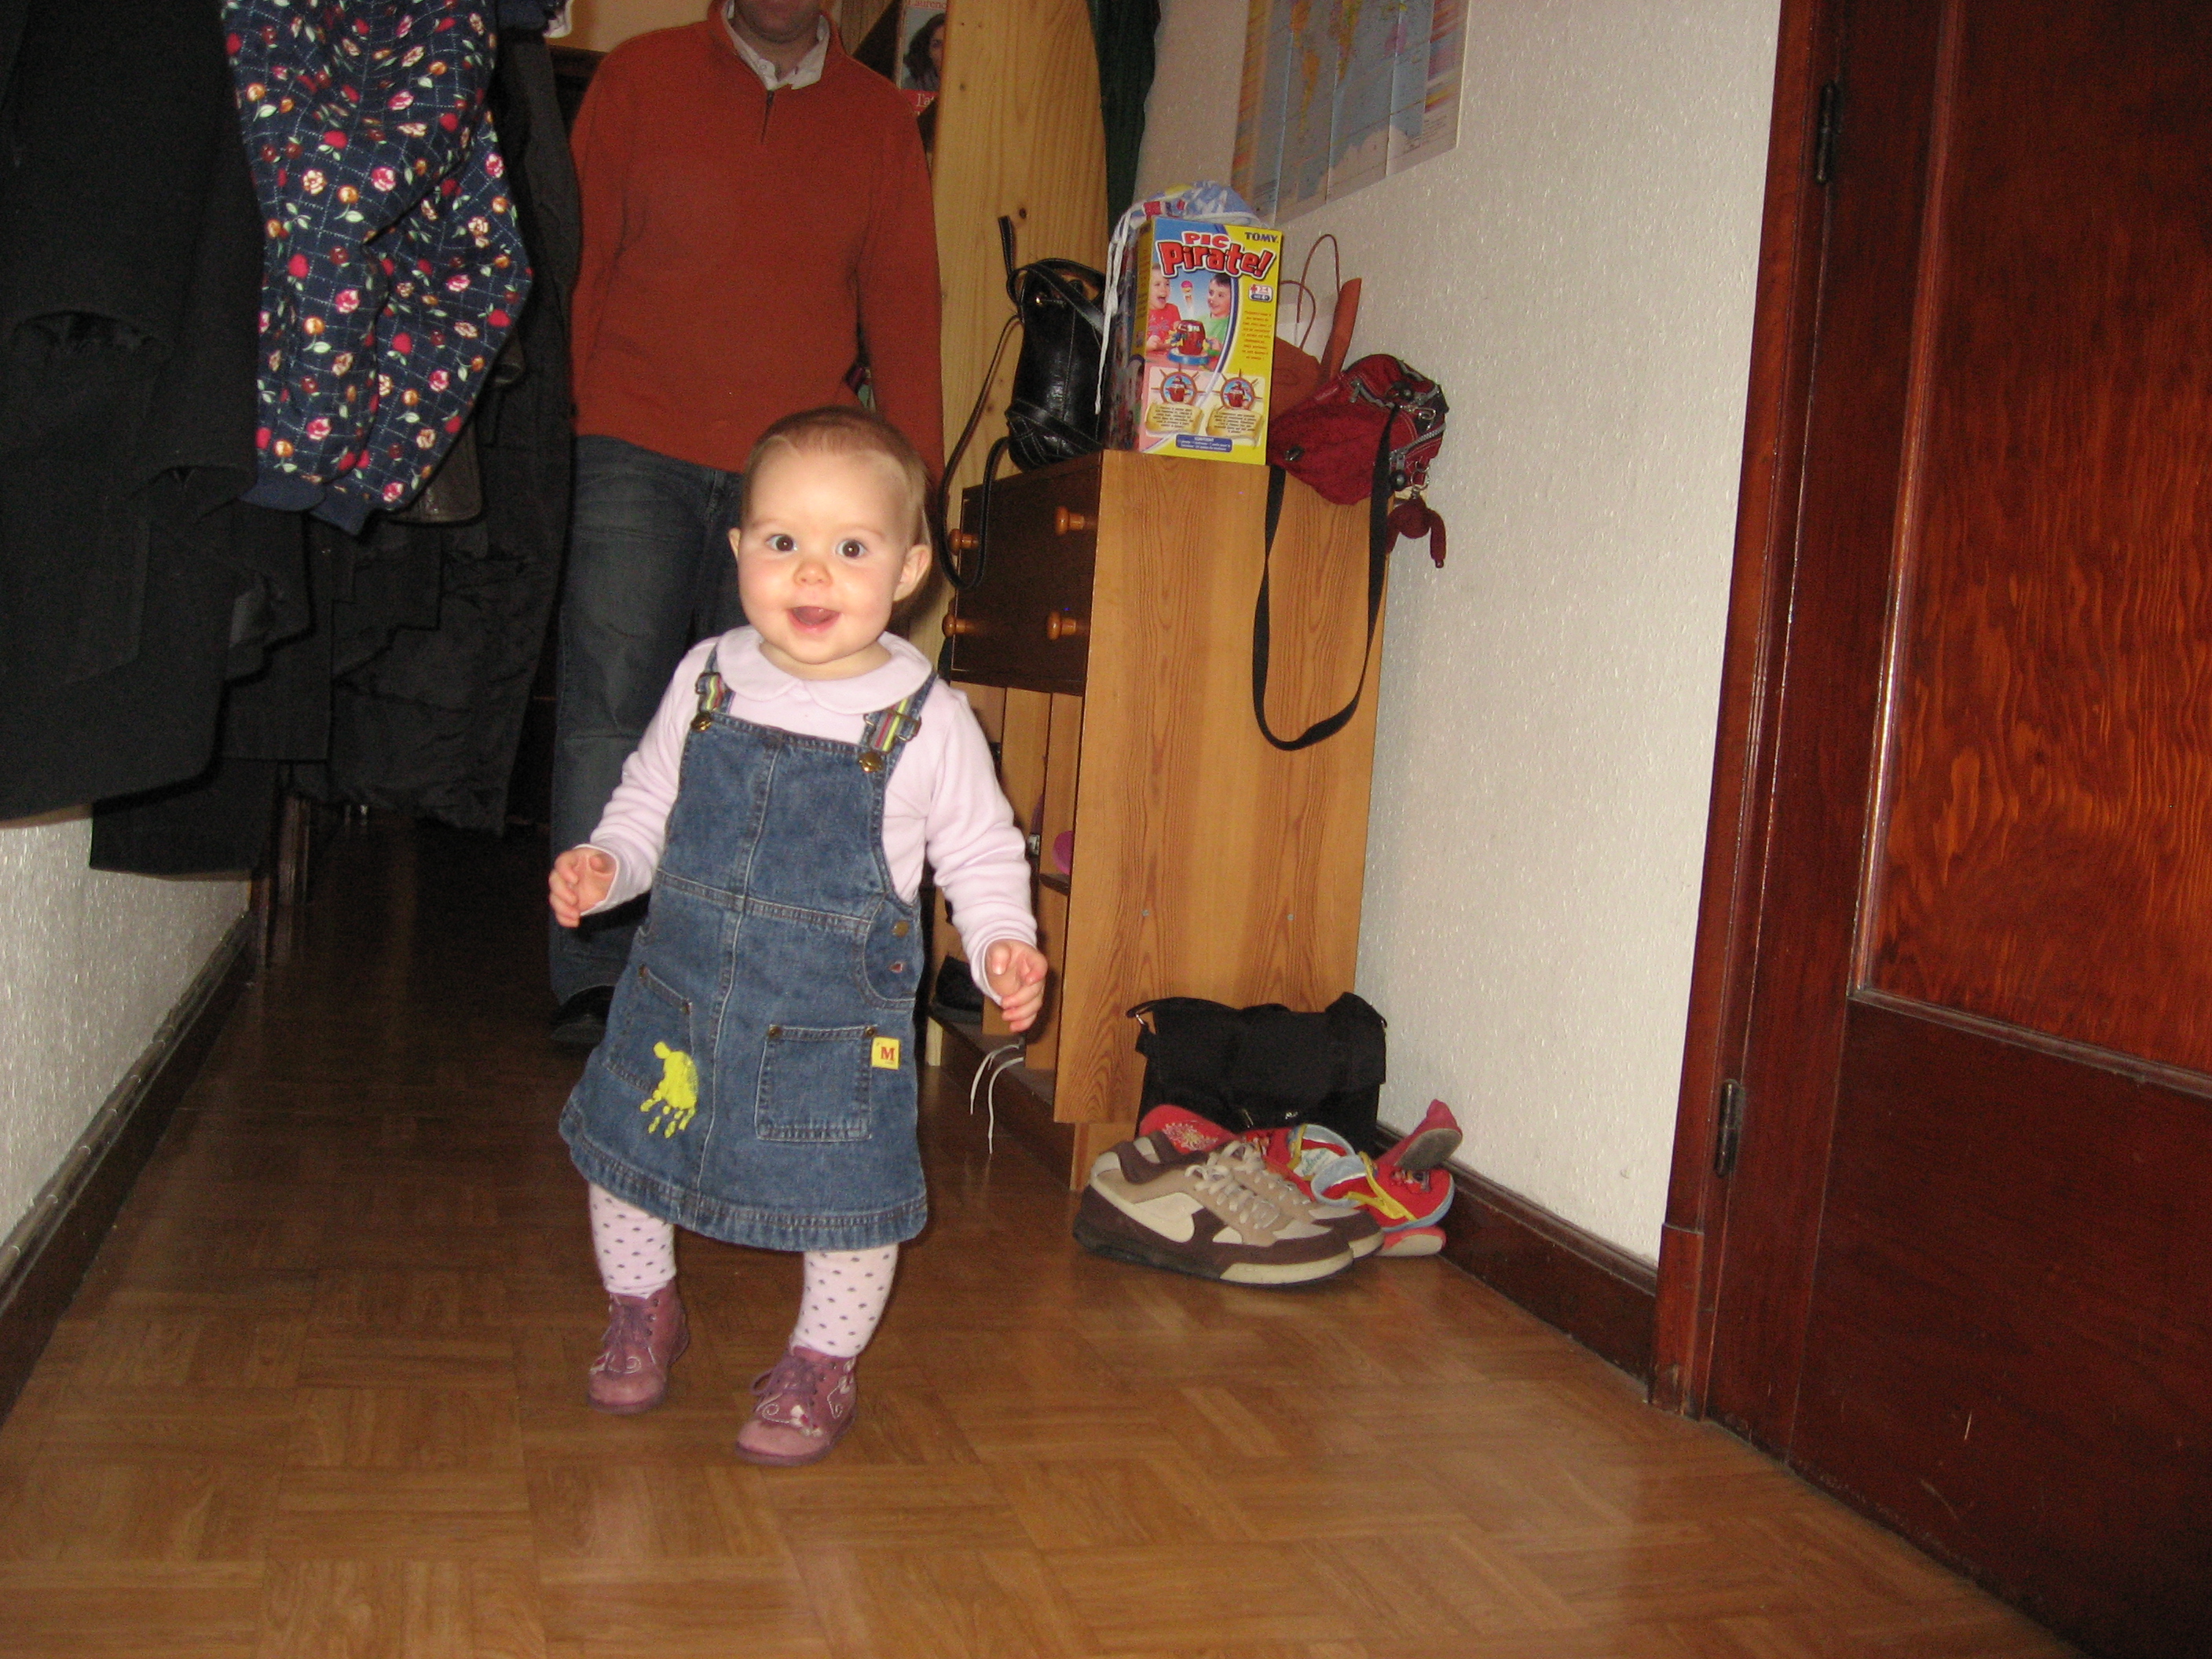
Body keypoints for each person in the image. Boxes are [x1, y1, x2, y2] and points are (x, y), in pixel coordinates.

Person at [549, 408, 1046, 1467]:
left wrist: (1002, 938)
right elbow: (646, 802)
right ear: (738, 549)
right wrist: (608, 864)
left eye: (851, 548)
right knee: (626, 1155)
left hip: (830, 1029)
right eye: (782, 541)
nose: (812, 573)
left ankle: (822, 1361)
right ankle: (641, 1306)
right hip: (680, 994)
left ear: (909, 569)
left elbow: (981, 849)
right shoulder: (708, 677)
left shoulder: (929, 718)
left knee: (850, 1201)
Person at [551, 0, 943, 1044]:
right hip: (630, 444)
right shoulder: (638, 78)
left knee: (778, 729)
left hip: (800, 484)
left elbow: (905, 302)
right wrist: (564, 424)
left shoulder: (880, 119)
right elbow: (578, 265)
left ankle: (738, 977)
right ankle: (594, 977)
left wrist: (915, 481)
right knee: (610, 711)